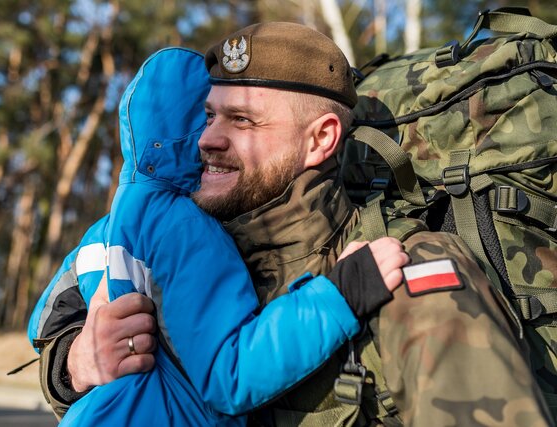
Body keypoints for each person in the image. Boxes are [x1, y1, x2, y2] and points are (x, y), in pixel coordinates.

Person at [29, 23, 554, 427]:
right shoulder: (166, 234)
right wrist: (74, 365)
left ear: (320, 140)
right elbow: (61, 323)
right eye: (207, 117)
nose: (208, 139)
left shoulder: (395, 270)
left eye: (243, 120)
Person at [32, 46, 407, 426]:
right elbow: (228, 376)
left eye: (241, 119)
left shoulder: (114, 222)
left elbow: (43, 320)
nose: (216, 137)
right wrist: (340, 294)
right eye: (212, 116)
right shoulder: (183, 227)